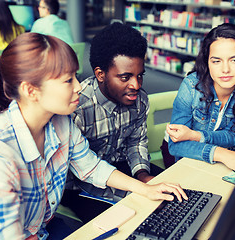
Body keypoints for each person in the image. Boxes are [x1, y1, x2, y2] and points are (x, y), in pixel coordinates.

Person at [0, 32, 187, 240]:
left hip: (41, 227)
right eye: (68, 80)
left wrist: (144, 187)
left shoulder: (60, 122)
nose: (79, 86)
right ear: (31, 90)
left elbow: (91, 167)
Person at [60, 22, 160, 221]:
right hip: (78, 184)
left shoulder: (139, 99)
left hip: (118, 166)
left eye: (140, 75)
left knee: (171, 193)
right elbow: (84, 170)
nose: (136, 85)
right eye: (125, 77)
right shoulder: (77, 108)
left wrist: (142, 175)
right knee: (132, 219)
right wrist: (135, 191)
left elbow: (136, 143)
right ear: (100, 75)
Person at [166, 23, 235, 174]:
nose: (225, 69)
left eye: (234, 60)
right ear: (207, 62)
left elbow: (234, 135)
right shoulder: (191, 86)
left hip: (220, 160)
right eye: (216, 61)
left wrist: (196, 135)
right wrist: (221, 154)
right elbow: (176, 146)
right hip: (184, 158)